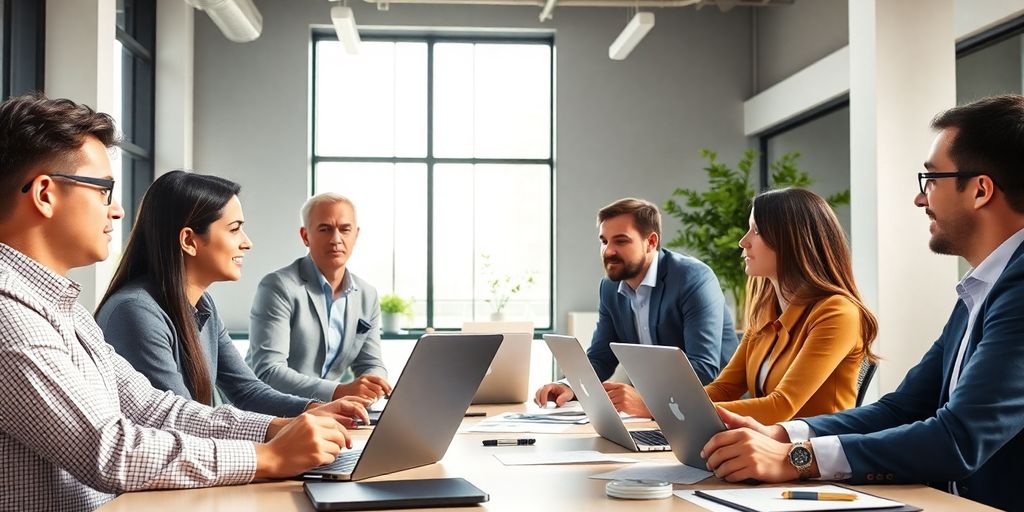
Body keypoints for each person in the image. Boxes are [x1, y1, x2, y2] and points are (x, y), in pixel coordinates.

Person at [0, 94, 365, 511]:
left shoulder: (65, 311)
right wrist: (268, 457)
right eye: (104, 191)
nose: (117, 211)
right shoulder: (9, 309)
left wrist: (276, 430)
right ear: (45, 194)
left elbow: (155, 409)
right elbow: (109, 450)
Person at [700, 95, 1024, 512]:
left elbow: (959, 438)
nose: (920, 199)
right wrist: (781, 435)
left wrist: (797, 458)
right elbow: (902, 408)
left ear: (980, 190)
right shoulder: (981, 288)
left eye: (931, 179)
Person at [95, 171, 364, 419]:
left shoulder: (203, 306)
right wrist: (284, 430)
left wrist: (315, 410)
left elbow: (247, 390)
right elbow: (183, 420)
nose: (247, 242)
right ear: (189, 241)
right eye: (234, 229)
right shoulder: (135, 311)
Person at [534, 197, 739, 416]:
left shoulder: (693, 278)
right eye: (604, 241)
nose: (608, 251)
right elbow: (601, 358)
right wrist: (568, 385)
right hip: (654, 411)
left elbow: (703, 368)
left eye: (621, 241)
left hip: (714, 410)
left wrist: (644, 399)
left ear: (651, 242)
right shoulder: (610, 288)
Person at [700, 187, 878, 425]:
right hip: (765, 441)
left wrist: (687, 413)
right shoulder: (765, 310)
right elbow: (724, 388)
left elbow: (780, 406)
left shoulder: (838, 312)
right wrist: (667, 408)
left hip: (813, 446)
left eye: (756, 231)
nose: (743, 242)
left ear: (791, 240)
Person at [247, 193, 391, 403]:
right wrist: (340, 391)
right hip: (270, 410)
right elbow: (269, 371)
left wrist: (374, 386)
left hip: (328, 411)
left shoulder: (367, 295)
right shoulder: (278, 286)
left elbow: (371, 363)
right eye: (325, 229)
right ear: (305, 236)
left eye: (345, 229)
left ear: (356, 235)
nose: (336, 239)